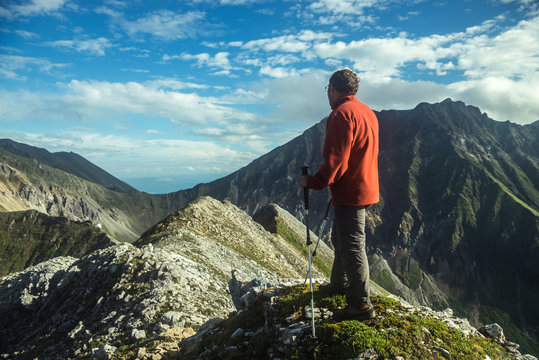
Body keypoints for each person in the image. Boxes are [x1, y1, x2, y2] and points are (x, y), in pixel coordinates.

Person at [299, 68, 379, 321]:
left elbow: (336, 161)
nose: (327, 94)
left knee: (353, 245)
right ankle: (339, 283)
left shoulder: (340, 115)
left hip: (350, 192)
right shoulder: (367, 112)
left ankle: (360, 305)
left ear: (333, 89)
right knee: (341, 239)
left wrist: (312, 182)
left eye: (327, 90)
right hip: (365, 186)